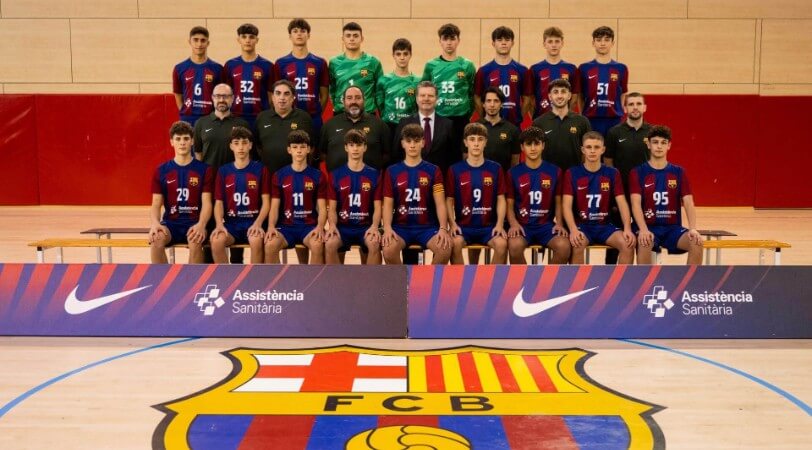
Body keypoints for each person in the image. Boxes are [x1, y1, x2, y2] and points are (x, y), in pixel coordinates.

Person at [629, 125, 702, 265]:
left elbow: (688, 202)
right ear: (648, 144)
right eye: (655, 142)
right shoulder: (637, 172)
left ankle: (690, 279)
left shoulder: (679, 172)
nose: (659, 146)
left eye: (663, 142)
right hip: (648, 226)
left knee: (696, 243)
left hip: (671, 228)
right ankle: (645, 280)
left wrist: (693, 228)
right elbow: (635, 204)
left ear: (669, 146)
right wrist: (643, 229)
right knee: (644, 242)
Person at [381, 124, 452, 265]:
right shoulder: (392, 171)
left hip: (428, 227)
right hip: (401, 227)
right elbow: (388, 204)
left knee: (444, 249)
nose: (412, 145)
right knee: (388, 250)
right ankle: (404, 279)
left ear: (423, 143)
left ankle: (428, 279)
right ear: (402, 143)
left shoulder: (434, 170)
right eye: (408, 141)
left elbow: (440, 204)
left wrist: (443, 228)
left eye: (416, 141)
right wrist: (387, 227)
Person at [562, 132, 635, 264]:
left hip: (605, 226)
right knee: (577, 244)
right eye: (588, 147)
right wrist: (573, 230)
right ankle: (580, 279)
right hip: (582, 226)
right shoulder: (572, 173)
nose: (592, 151)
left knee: (628, 244)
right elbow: (566, 205)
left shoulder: (612, 173)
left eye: (596, 147)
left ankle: (620, 278)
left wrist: (627, 228)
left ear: (603, 149)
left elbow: (622, 203)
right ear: (583, 150)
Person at [148, 121, 214, 264]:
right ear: (172, 142)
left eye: (186, 138)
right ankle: (163, 278)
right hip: (171, 223)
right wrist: (155, 223)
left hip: (195, 222)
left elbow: (207, 203)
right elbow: (155, 204)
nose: (182, 143)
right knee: (156, 239)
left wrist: (201, 224)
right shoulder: (161, 170)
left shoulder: (204, 170)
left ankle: (194, 279)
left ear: (192, 141)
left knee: (195, 240)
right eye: (178, 139)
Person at [506, 127, 571, 264]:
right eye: (528, 144)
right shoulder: (513, 173)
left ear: (543, 145)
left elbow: (558, 202)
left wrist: (559, 223)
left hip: (546, 226)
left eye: (536, 143)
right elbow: (509, 204)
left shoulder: (555, 171)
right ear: (522, 147)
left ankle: (547, 278)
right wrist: (513, 224)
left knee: (564, 247)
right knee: (514, 246)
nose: (533, 148)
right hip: (523, 225)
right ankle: (525, 279)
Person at [446, 123, 507, 264]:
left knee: (502, 244)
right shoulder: (455, 170)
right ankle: (463, 278)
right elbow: (449, 200)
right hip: (464, 227)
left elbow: (501, 198)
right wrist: (452, 224)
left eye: (480, 139)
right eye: (472, 139)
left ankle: (491, 279)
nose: (476, 143)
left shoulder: (495, 168)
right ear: (465, 142)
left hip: (488, 227)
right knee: (454, 243)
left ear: (485, 142)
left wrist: (499, 224)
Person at [265, 130, 329, 264]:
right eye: (295, 147)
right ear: (289, 150)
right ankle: (278, 278)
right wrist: (271, 226)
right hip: (286, 226)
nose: (299, 151)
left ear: (309, 149)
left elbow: (322, 208)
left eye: (302, 147)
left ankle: (313, 278)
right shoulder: (279, 175)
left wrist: (320, 226)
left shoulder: (317, 176)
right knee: (270, 245)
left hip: (309, 226)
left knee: (318, 244)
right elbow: (274, 207)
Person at [603, 92, 651, 265]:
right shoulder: (614, 132)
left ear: (644, 107)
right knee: (617, 239)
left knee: (643, 238)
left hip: (644, 196)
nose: (635, 107)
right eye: (631, 104)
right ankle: (609, 273)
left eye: (638, 104)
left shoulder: (652, 133)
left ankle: (638, 275)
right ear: (624, 108)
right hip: (620, 195)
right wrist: (612, 193)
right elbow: (608, 163)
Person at [210, 127, 270, 264]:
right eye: (236, 143)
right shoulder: (223, 171)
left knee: (256, 241)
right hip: (232, 225)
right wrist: (219, 224)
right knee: (216, 241)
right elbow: (218, 203)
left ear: (250, 145)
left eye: (244, 143)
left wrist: (258, 223)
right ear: (231, 146)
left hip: (253, 222)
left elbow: (266, 202)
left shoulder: (260, 169)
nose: (241, 147)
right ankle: (226, 277)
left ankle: (254, 277)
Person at [325, 130, 382, 265]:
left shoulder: (374, 175)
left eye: (359, 145)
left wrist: (375, 226)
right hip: (342, 227)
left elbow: (378, 207)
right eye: (351, 145)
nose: (355, 149)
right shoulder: (335, 175)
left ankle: (370, 279)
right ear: (346, 147)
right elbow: (332, 208)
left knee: (374, 243)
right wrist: (332, 225)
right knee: (329, 243)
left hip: (366, 227)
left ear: (365, 147)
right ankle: (334, 279)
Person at [421, 23, 476, 150]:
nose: (449, 43)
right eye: (445, 39)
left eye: (452, 38)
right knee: (438, 153)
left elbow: (472, 93)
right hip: (438, 117)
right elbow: (423, 92)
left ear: (458, 40)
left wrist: (466, 112)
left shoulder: (467, 65)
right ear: (440, 41)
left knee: (460, 154)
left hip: (461, 118)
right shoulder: (431, 65)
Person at [274, 18, 330, 137]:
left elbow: (324, 94)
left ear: (308, 35)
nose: (299, 34)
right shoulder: (280, 63)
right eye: (295, 31)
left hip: (313, 118)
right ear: (290, 36)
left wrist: (317, 113)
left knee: (314, 148)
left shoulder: (320, 63)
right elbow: (276, 94)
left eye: (303, 31)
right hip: (289, 117)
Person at [320, 86, 391, 171]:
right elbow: (322, 154)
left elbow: (387, 155)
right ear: (343, 101)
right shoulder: (329, 125)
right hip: (336, 178)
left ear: (364, 100)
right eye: (349, 98)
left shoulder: (379, 125)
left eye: (358, 98)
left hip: (370, 178)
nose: (353, 101)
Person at [474, 26, 533, 128]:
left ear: (512, 43)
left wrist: (519, 117)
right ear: (493, 43)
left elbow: (527, 98)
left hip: (514, 125)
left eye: (507, 40)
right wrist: (484, 118)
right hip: (490, 126)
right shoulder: (484, 71)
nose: (503, 43)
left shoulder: (522, 70)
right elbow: (477, 98)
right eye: (499, 40)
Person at [392, 81, 457, 173]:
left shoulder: (448, 124)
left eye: (430, 96)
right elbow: (396, 153)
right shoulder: (404, 123)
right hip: (411, 176)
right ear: (416, 99)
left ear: (437, 99)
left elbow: (454, 156)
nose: (426, 99)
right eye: (422, 95)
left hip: (439, 177)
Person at [254, 80, 315, 175]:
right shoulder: (262, 118)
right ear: (272, 97)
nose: (282, 98)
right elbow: (258, 147)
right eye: (278, 93)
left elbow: (311, 148)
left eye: (286, 94)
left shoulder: (304, 118)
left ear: (293, 98)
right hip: (268, 174)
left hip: (297, 175)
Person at [578, 26, 629, 137]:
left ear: (612, 43)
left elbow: (623, 93)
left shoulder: (621, 68)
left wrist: (618, 111)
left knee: (612, 149)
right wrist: (583, 116)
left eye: (606, 40)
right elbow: (580, 95)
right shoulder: (584, 68)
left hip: (614, 120)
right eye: (599, 40)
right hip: (591, 120)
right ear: (593, 43)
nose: (602, 43)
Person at [531, 78, 591, 171]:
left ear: (569, 95)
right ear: (550, 96)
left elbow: (587, 151)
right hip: (547, 174)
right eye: (555, 92)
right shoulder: (538, 123)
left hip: (574, 174)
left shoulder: (582, 121)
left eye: (563, 92)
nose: (559, 96)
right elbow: (534, 152)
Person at [222, 23, 274, 129]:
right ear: (238, 40)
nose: (247, 40)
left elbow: (271, 95)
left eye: (251, 37)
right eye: (244, 37)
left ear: (257, 40)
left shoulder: (268, 65)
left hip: (260, 118)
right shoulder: (230, 65)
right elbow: (226, 94)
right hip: (235, 117)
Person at [329, 22, 383, 114]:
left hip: (367, 114)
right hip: (341, 113)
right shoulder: (334, 62)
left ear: (362, 39)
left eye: (355, 36)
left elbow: (379, 91)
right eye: (348, 36)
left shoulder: (373, 62)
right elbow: (332, 89)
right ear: (343, 39)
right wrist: (338, 105)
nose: (352, 39)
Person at [173, 26, 223, 126]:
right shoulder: (179, 68)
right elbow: (178, 93)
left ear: (208, 43)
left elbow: (221, 95)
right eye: (195, 40)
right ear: (189, 42)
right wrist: (185, 110)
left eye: (203, 40)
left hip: (210, 118)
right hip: (188, 119)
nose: (199, 44)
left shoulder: (217, 68)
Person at [193, 83, 251, 168]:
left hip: (233, 174)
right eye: (217, 96)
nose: (221, 100)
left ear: (232, 98)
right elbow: (198, 153)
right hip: (209, 174)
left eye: (225, 96)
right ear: (212, 98)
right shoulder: (200, 123)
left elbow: (248, 153)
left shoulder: (242, 124)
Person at [530, 26, 579, 118]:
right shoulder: (535, 69)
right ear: (544, 44)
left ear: (562, 43)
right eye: (550, 41)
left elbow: (574, 97)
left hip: (564, 119)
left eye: (557, 41)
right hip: (541, 118)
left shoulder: (571, 69)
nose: (554, 45)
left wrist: (566, 115)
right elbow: (530, 99)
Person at [376, 38, 419, 137]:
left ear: (410, 55)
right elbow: (380, 105)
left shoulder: (417, 81)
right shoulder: (384, 80)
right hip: (389, 126)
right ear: (393, 56)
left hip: (410, 126)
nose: (402, 58)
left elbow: (418, 107)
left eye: (405, 54)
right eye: (398, 54)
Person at [478, 87, 520, 172]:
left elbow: (515, 162)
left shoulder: (513, 130)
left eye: (496, 101)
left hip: (503, 178)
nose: (492, 105)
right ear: (483, 104)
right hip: (478, 177)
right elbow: (466, 158)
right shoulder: (474, 128)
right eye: (488, 101)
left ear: (501, 104)